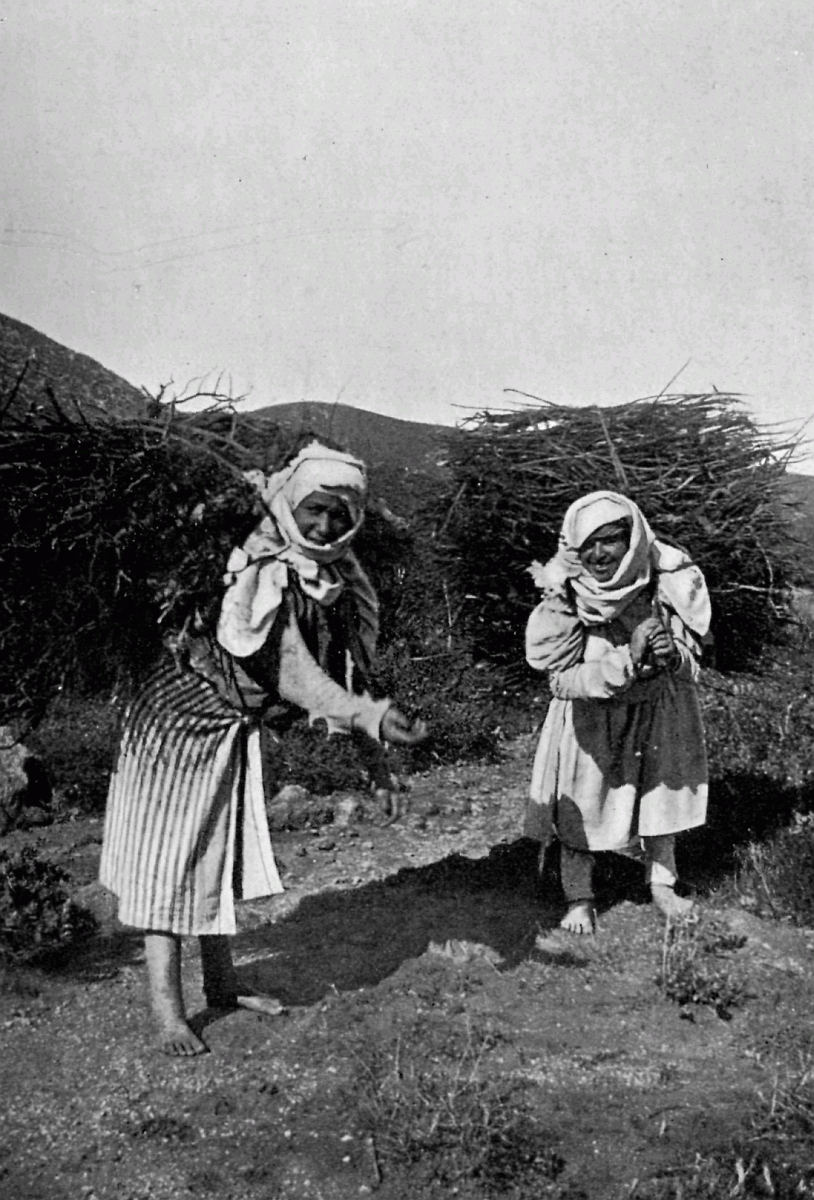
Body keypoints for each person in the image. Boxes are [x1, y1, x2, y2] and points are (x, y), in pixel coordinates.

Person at [100, 441, 427, 1055]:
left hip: (230, 724)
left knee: (217, 853)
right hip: (177, 721)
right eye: (314, 510)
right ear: (289, 503)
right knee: (170, 860)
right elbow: (294, 672)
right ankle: (168, 1013)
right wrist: (370, 718)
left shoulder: (335, 577)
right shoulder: (260, 566)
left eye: (338, 514)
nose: (323, 525)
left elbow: (349, 673)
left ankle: (222, 985)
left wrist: (379, 769)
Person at [524, 490, 710, 934]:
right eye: (587, 544)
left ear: (633, 540)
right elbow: (560, 680)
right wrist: (626, 661)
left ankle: (662, 882)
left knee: (660, 791)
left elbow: (692, 665)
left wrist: (671, 655)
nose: (599, 554)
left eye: (610, 540)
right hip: (591, 715)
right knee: (581, 799)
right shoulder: (566, 593)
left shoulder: (663, 579)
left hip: (657, 708)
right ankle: (579, 896)